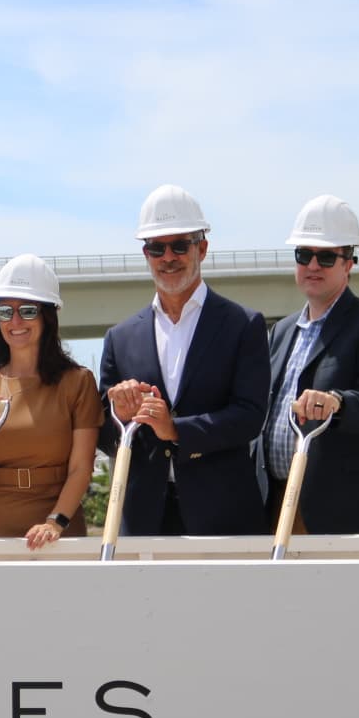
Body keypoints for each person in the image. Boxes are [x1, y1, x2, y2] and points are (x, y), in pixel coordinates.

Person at [98, 185, 268, 536]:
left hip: (224, 517)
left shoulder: (243, 325)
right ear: (146, 253)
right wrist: (121, 414)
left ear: (202, 249)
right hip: (144, 519)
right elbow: (102, 432)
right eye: (157, 248)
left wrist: (176, 430)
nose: (168, 257)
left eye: (180, 246)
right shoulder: (121, 337)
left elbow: (250, 417)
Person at [260, 195, 359, 534]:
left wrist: (338, 403)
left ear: (349, 263)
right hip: (277, 503)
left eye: (326, 256)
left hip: (341, 512)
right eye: (304, 255)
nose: (313, 266)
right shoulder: (281, 332)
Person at [0, 254, 100, 549]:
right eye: (5, 311)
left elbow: (81, 468)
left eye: (28, 311)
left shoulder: (78, 382)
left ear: (48, 316)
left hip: (56, 531)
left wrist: (55, 521)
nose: (15, 321)